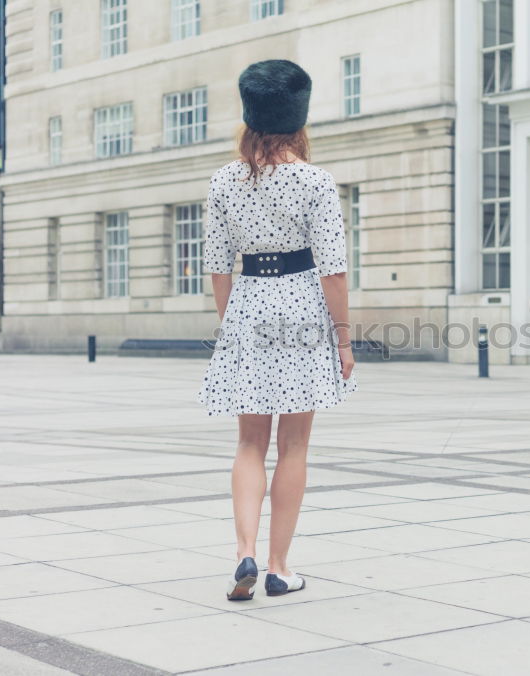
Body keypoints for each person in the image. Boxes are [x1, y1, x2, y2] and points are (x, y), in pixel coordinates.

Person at [197, 59, 358, 601]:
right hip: (302, 306)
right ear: (298, 120)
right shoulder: (315, 181)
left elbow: (218, 268)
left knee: (248, 442)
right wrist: (343, 337)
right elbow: (333, 270)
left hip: (248, 303)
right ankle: (278, 566)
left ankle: (242, 553)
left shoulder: (223, 181)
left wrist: (233, 329)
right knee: (293, 446)